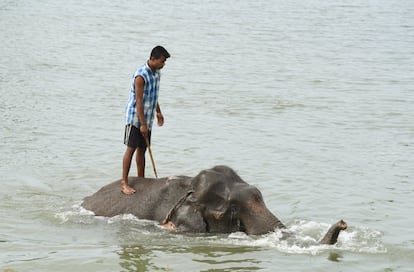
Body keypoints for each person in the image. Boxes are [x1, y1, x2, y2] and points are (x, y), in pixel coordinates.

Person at [121, 46, 170, 195]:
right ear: (153, 59)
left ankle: (140, 179)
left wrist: (159, 113)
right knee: (131, 148)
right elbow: (139, 100)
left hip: (148, 117)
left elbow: (153, 96)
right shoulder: (141, 76)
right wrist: (142, 124)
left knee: (142, 149)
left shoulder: (157, 73)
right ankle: (124, 183)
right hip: (135, 117)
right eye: (162, 61)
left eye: (165, 61)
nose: (164, 64)